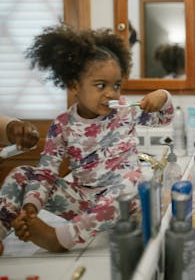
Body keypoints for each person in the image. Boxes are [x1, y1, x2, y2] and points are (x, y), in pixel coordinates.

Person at [0, 24, 174, 255]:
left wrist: (163, 96)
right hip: (82, 203)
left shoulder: (125, 111)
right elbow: (46, 173)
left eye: (117, 85)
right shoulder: (62, 125)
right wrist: (31, 207)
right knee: (23, 174)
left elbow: (164, 118)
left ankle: (62, 238)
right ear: (74, 85)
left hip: (125, 204)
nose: (111, 93)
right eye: (101, 85)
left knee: (137, 180)